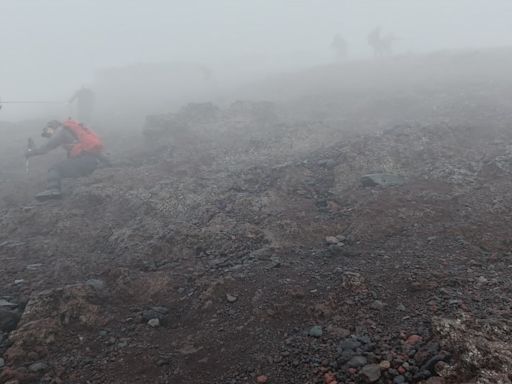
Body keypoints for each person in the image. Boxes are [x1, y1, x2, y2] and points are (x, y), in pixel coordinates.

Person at [25, 119, 105, 201]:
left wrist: (31, 152)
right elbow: (94, 151)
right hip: (92, 162)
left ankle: (53, 190)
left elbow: (46, 147)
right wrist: (107, 163)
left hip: (82, 162)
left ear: (53, 127)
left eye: (49, 130)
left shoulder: (61, 131)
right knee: (67, 166)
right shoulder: (77, 133)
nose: (49, 133)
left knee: (55, 169)